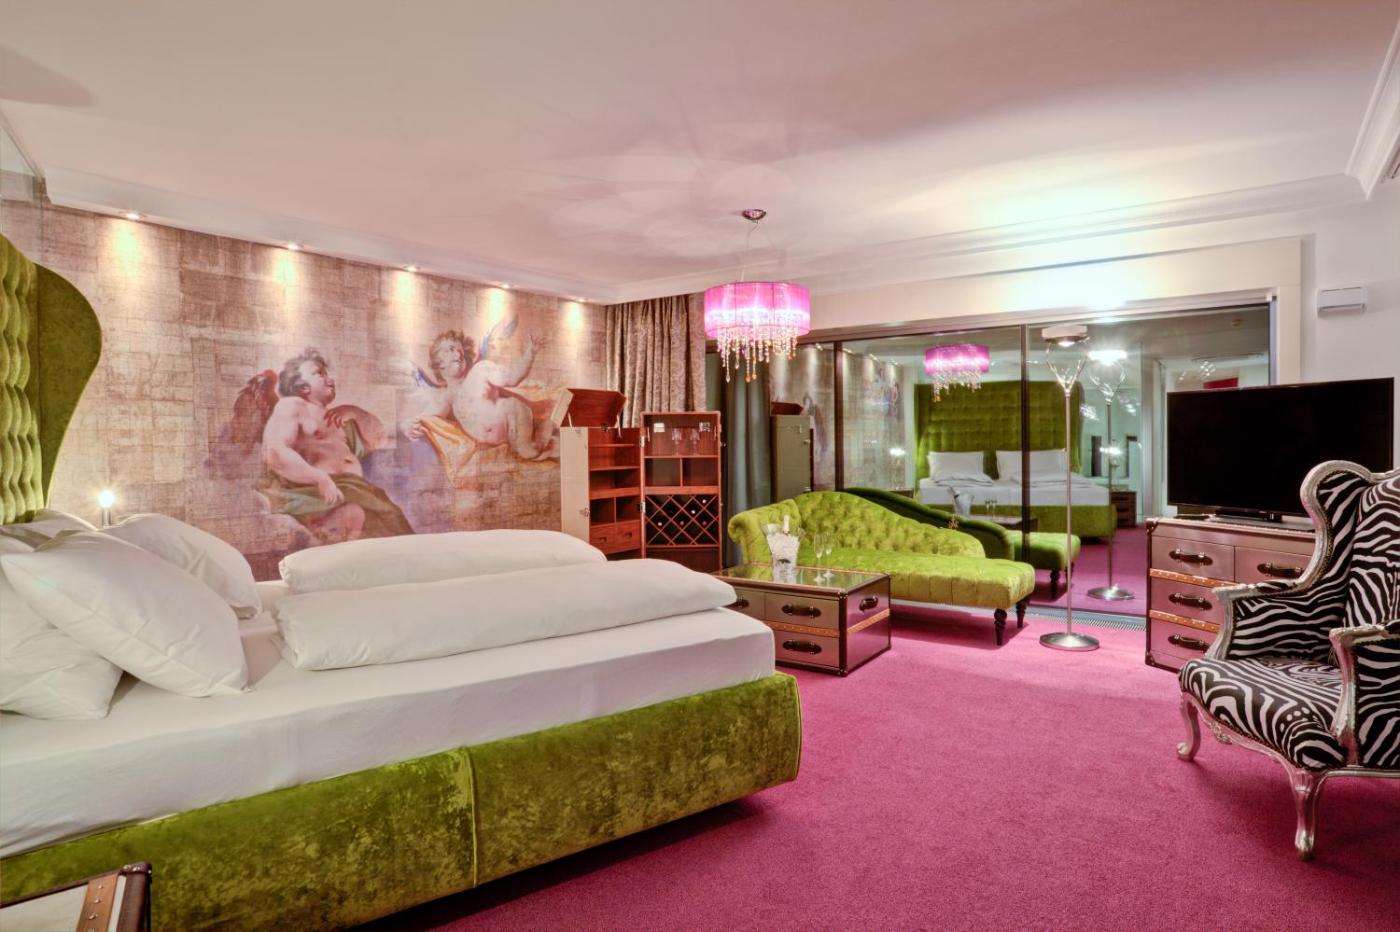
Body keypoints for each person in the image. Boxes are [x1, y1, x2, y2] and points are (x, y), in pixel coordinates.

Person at [259, 348, 413, 542]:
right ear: (302, 386)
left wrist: (354, 411)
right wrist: (319, 478)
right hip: (322, 494)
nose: (329, 378)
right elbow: (274, 450)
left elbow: (379, 439)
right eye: (319, 373)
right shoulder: (294, 406)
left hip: (356, 490)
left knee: (391, 526)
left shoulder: (339, 417)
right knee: (354, 516)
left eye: (327, 373)